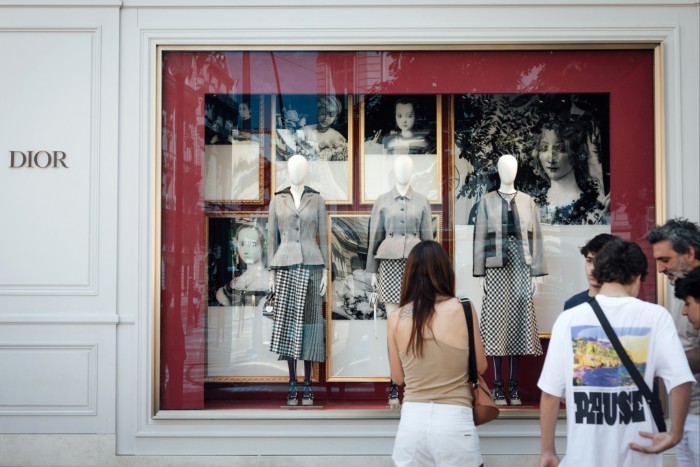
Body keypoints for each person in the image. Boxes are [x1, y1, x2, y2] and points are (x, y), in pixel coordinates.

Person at [538, 238, 694, 467]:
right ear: (637, 276)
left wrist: (547, 451)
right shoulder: (656, 316)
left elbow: (550, 394)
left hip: (583, 457)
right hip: (640, 454)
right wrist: (675, 434)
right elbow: (680, 381)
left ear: (600, 272)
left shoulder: (569, 319)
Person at [388, 240, 487, 467]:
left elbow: (398, 378)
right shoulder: (463, 307)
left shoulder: (396, 318)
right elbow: (480, 366)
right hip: (455, 420)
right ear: (445, 271)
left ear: (410, 274)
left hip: (412, 422)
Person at [473, 154, 547, 406]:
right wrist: (480, 272)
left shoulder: (528, 202)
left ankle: (513, 386)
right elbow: (480, 238)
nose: (508, 172)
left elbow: (536, 238)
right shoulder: (486, 201)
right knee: (496, 323)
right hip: (495, 265)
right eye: (504, 168)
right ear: (497, 170)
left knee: (517, 320)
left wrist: (536, 273)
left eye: (513, 167)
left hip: (521, 264)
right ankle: (497, 385)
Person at [367, 154, 434, 408]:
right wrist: (373, 270)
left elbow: (428, 240)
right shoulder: (383, 201)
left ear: (412, 171)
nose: (403, 171)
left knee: (419, 322)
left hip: (417, 266)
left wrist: (431, 271)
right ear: (393, 171)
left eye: (407, 167)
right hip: (390, 266)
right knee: (393, 326)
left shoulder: (422, 201)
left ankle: (417, 383)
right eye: (399, 167)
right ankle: (394, 386)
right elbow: (375, 236)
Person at [267, 155, 328, 406]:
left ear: (306, 171)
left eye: (301, 168)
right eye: (292, 168)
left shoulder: (317, 199)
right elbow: (271, 238)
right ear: (287, 171)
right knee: (290, 325)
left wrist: (326, 271)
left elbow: (323, 236)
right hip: (285, 266)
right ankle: (292, 381)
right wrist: (271, 273)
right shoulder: (277, 199)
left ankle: (307, 383)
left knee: (311, 324)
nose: (296, 172)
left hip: (313, 266)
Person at [646, 218, 700, 467]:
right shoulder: (682, 290)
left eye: (665, 260)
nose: (659, 269)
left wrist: (652, 363)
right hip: (686, 415)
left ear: (689, 253)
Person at [532, 119, 608, 225]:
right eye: (544, 148)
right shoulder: (533, 204)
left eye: (560, 148)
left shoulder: (595, 210)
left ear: (575, 153)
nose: (551, 158)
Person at [215, 224, 270, 345]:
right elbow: (221, 293)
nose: (246, 250)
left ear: (262, 245)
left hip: (262, 342)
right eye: (242, 244)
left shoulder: (269, 279)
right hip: (239, 342)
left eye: (252, 244)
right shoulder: (237, 281)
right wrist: (226, 301)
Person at [564, 233, 617, 310]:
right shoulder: (572, 304)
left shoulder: (624, 305)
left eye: (600, 262)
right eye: (589, 260)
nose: (592, 268)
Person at [297, 95, 348, 161]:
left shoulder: (337, 137)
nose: (326, 118)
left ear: (335, 118)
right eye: (323, 113)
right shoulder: (305, 131)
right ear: (317, 112)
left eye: (331, 115)